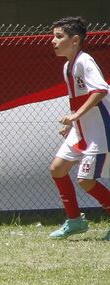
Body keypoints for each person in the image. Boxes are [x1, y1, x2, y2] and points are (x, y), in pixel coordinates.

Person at [47, 16, 110, 239]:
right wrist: (74, 123)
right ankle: (75, 221)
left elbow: (100, 90)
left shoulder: (85, 61)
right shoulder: (67, 66)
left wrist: (76, 115)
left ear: (75, 40)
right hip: (81, 129)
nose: (53, 41)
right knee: (57, 169)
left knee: (86, 180)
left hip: (99, 131)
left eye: (58, 37)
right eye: (53, 36)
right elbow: (78, 99)